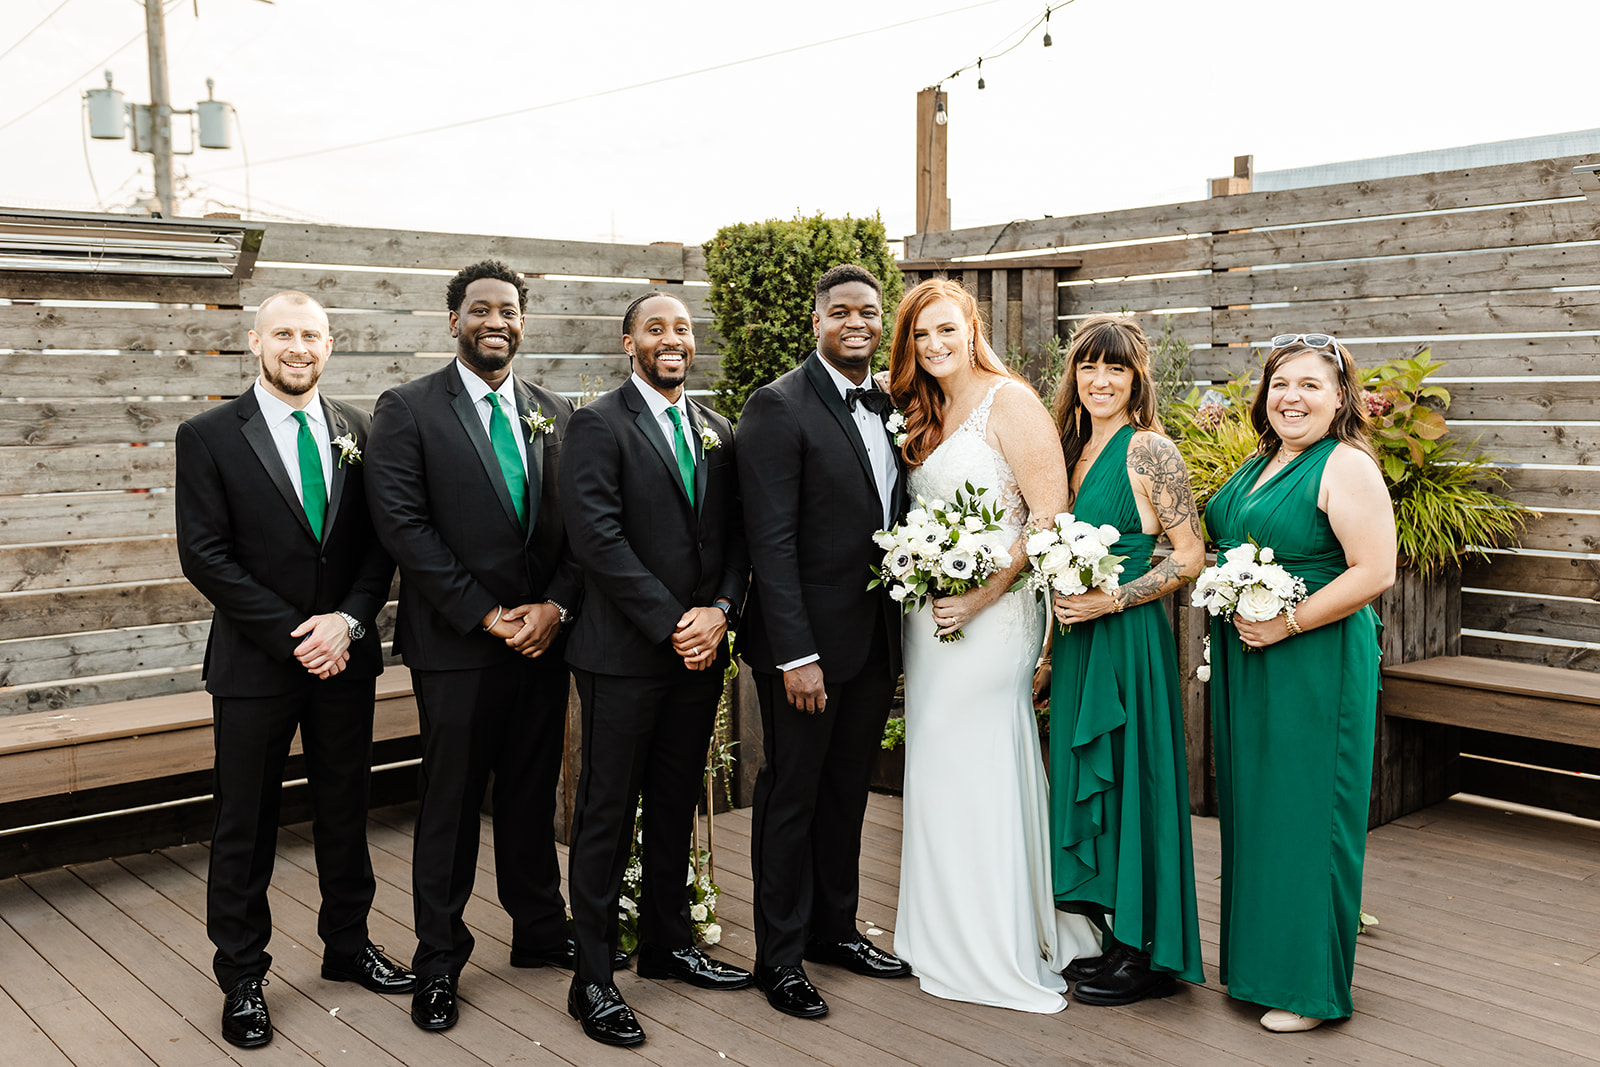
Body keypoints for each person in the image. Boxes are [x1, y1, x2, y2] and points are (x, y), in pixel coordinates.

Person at [175, 291, 413, 1050]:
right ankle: (242, 975)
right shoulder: (209, 435)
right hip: (256, 663)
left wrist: (347, 621)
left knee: (347, 809)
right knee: (246, 822)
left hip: (346, 658)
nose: (298, 346)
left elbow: (381, 542)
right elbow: (204, 554)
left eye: (311, 334)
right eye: (284, 333)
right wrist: (293, 634)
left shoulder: (358, 429)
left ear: (331, 344)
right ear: (255, 341)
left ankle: (348, 945)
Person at [365, 260, 582, 1033]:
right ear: (452, 320)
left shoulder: (554, 409)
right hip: (459, 644)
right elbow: (403, 527)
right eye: (481, 309)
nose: (498, 320)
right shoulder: (408, 409)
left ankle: (538, 929)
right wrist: (489, 615)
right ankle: (439, 960)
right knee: (453, 804)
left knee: (531, 792)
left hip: (541, 643)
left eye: (510, 310)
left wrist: (555, 605)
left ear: (524, 323)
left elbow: (579, 526)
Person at [887, 278, 1100, 1013]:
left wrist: (982, 593)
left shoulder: (1010, 401)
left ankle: (999, 937)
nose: (935, 345)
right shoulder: (923, 409)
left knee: (979, 756)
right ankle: (939, 927)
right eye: (920, 336)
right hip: (930, 616)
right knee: (937, 759)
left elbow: (1048, 517)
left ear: (973, 326)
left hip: (997, 614)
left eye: (947, 330)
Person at [560, 291, 751, 1048]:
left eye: (681, 328)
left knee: (675, 801)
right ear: (628, 340)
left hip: (699, 655)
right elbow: (596, 538)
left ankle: (670, 947)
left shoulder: (717, 430)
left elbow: (737, 538)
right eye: (655, 328)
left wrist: (722, 611)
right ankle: (594, 978)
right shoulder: (597, 424)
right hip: (623, 656)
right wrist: (675, 621)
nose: (671, 339)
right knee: (606, 813)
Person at [1204, 333, 1395, 1032]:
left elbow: (1374, 571)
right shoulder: (1264, 460)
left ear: (1340, 397)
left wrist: (1288, 623)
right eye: (1281, 383)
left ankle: (1312, 989)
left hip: (1312, 659)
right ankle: (1263, 968)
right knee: (1263, 812)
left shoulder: (1343, 465)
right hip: (1251, 658)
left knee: (1310, 816)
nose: (1292, 397)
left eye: (1311, 385)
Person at [737, 264, 912, 1021]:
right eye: (840, 311)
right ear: (817, 322)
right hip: (804, 650)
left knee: (848, 793)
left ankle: (834, 929)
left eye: (868, 312)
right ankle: (778, 956)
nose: (856, 322)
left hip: (873, 642)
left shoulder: (894, 405)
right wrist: (794, 654)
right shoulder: (777, 406)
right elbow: (768, 542)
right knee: (791, 795)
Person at [1037, 315, 1205, 1006]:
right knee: (1090, 782)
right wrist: (1050, 648)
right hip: (1077, 642)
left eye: (1116, 369)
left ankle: (1149, 952)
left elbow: (1191, 556)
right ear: (1073, 377)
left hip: (1127, 640)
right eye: (1088, 368)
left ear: (1137, 379)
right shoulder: (1066, 449)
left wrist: (1114, 602)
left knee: (1135, 779)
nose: (1100, 381)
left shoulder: (1150, 451)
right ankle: (1114, 935)